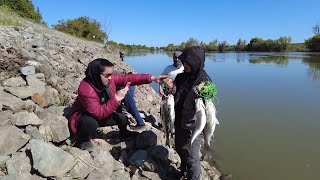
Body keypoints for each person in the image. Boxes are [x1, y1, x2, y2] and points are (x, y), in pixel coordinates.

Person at [68, 58, 168, 149]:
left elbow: (129, 78)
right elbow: (98, 113)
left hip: (102, 111)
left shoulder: (109, 80)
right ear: (96, 74)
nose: (111, 78)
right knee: (90, 123)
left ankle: (124, 133)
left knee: (124, 118)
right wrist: (116, 99)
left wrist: (152, 78)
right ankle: (82, 139)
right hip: (85, 116)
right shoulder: (86, 89)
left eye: (111, 74)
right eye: (107, 75)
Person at [173, 46, 211, 180]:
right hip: (178, 121)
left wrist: (205, 93)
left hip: (193, 127)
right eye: (184, 62)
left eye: (188, 63)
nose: (185, 65)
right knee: (180, 148)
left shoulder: (205, 80)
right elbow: (175, 93)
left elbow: (210, 101)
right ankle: (183, 171)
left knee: (191, 157)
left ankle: (193, 177)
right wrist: (169, 88)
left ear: (196, 62)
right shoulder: (180, 76)